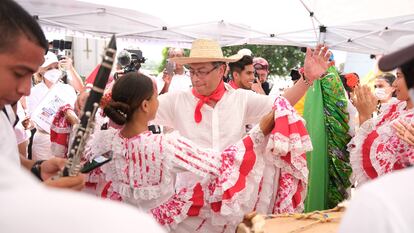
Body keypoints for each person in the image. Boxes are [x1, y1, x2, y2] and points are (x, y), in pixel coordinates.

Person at [0, 1, 165, 232]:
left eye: (31, 76)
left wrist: (37, 168)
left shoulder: (5, 110)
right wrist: (39, 198)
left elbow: (6, 163)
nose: (27, 90)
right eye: (19, 73)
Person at [86, 72, 278, 232]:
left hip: (124, 224)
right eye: (155, 98)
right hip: (157, 226)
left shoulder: (104, 142)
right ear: (145, 105)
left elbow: (87, 166)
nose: (158, 102)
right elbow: (221, 163)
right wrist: (258, 133)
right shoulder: (164, 146)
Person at [339, 42, 414, 233]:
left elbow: (377, 153)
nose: (395, 84)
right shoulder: (396, 107)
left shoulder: (409, 117)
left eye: (399, 76)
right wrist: (365, 115)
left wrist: (365, 116)